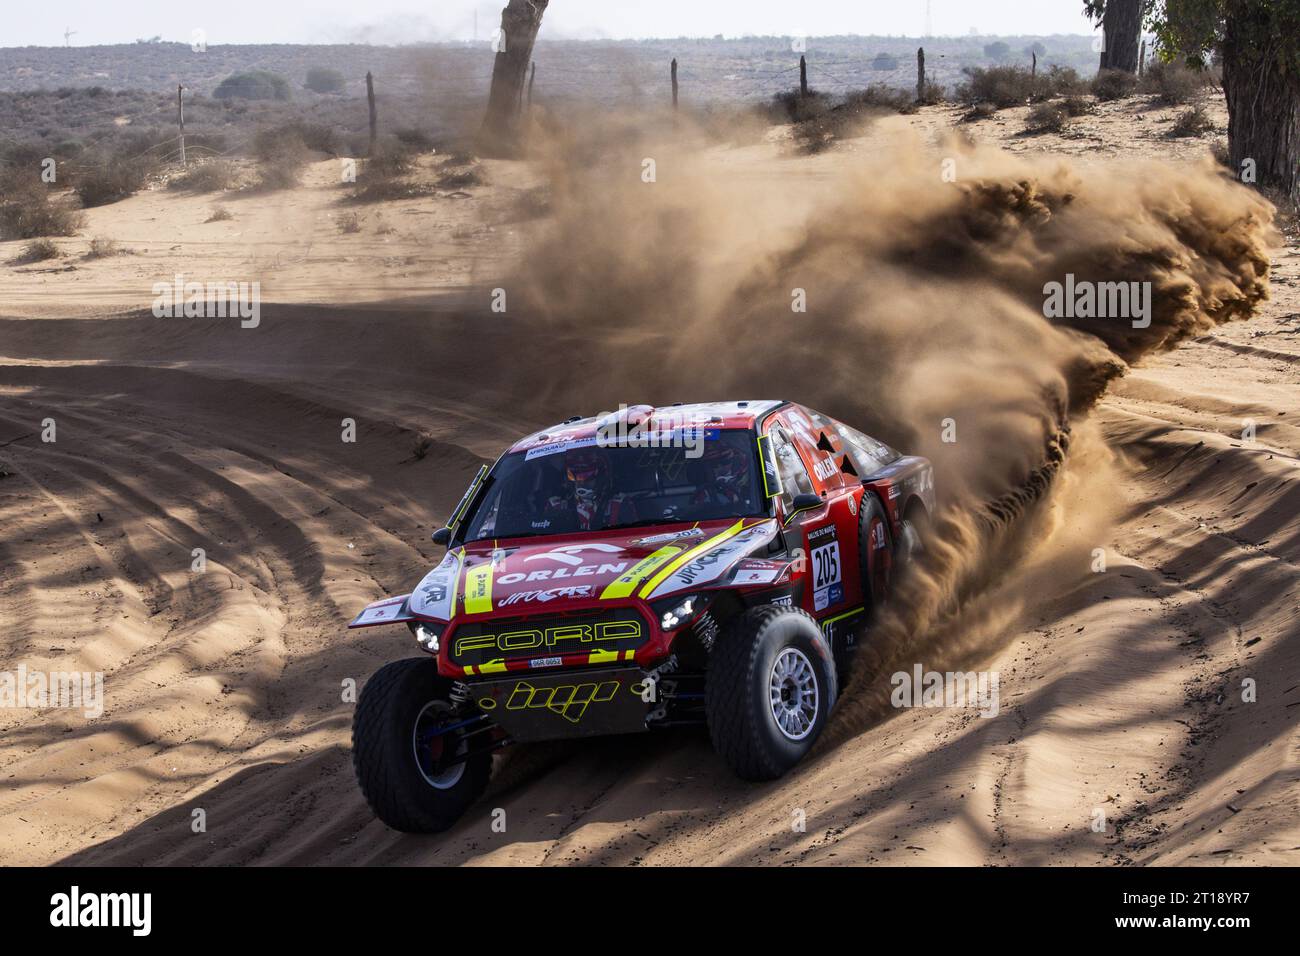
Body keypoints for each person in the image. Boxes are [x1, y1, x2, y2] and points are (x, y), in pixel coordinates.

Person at [544, 447, 639, 531]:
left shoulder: (619, 503)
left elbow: (633, 537)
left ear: (601, 476)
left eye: (586, 476)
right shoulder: (556, 505)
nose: (581, 482)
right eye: (574, 476)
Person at [694, 442, 752, 511]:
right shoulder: (704, 491)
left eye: (725, 461)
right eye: (714, 463)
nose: (720, 466)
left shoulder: (751, 477)